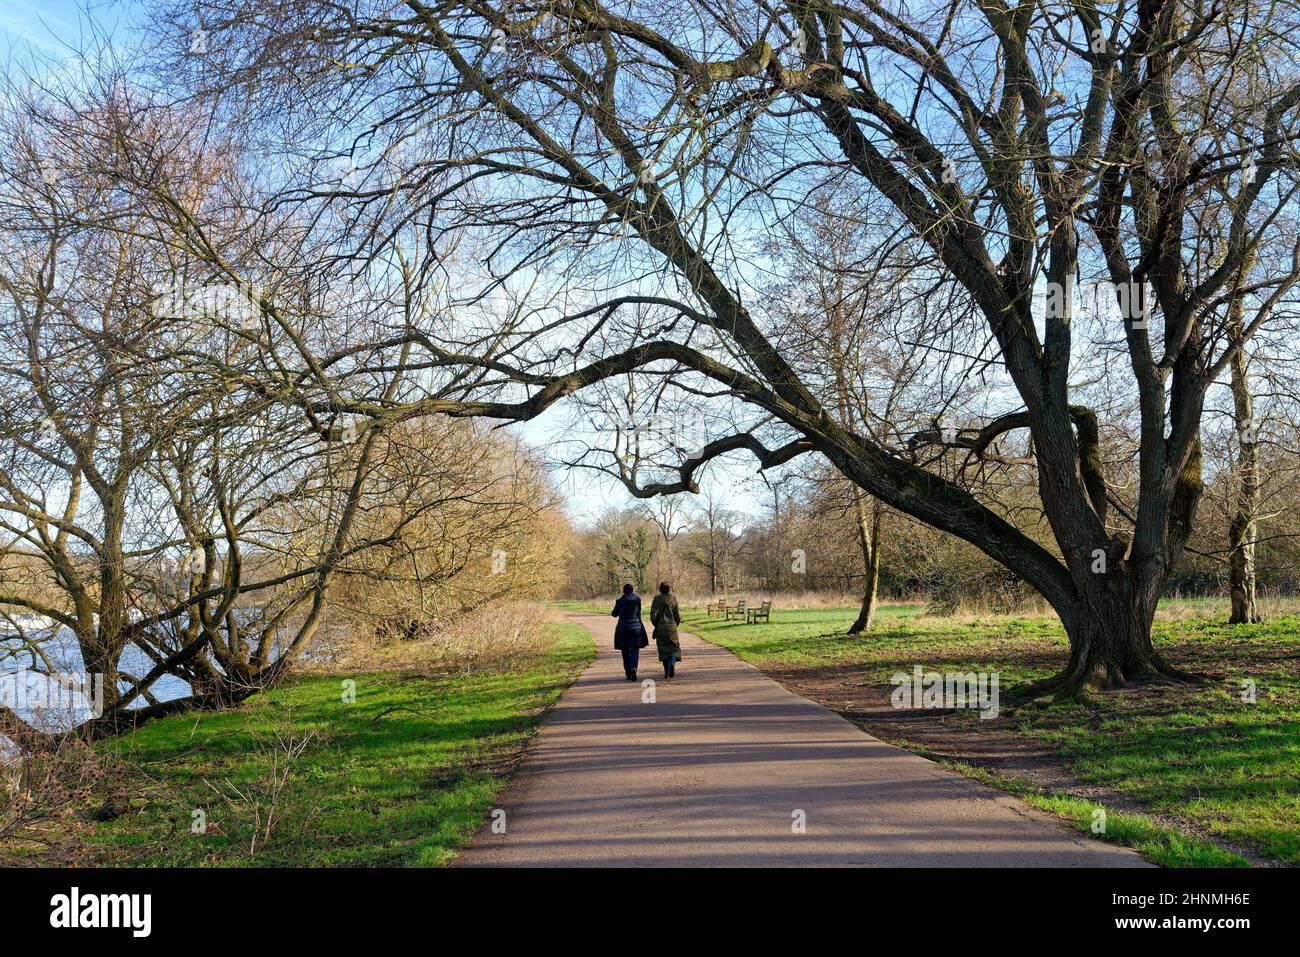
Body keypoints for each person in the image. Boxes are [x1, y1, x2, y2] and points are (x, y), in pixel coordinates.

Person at [611, 583, 647, 680]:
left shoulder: (620, 601)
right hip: (636, 628)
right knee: (635, 651)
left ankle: (628, 672)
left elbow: (614, 614)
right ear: (632, 591)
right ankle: (634, 668)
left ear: (624, 591)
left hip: (623, 628)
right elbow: (639, 614)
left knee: (625, 651)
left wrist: (618, 606)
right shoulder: (637, 600)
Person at [650, 581, 682, 679]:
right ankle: (672, 663)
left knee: (663, 648)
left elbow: (652, 616)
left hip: (661, 627)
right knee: (674, 647)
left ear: (660, 589)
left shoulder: (656, 600)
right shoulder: (673, 599)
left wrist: (657, 625)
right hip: (672, 627)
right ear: (669, 589)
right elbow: (678, 615)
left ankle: (666, 671)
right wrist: (676, 624)